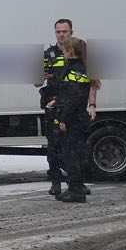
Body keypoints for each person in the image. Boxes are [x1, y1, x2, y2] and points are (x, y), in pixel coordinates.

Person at [40, 18, 99, 203]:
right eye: (58, 31)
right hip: (57, 105)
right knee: (55, 147)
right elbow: (37, 80)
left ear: (71, 32)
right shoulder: (49, 54)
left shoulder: (78, 59)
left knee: (72, 150)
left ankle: (76, 186)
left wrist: (91, 105)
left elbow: (78, 90)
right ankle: (58, 183)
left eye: (64, 31)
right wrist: (44, 77)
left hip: (68, 109)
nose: (61, 35)